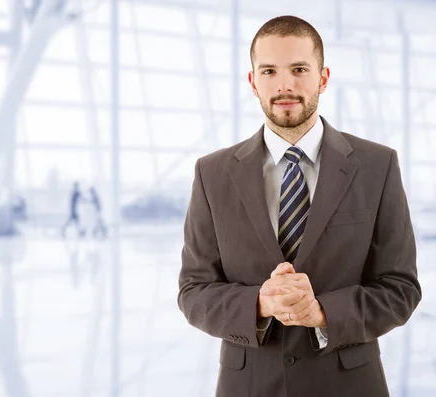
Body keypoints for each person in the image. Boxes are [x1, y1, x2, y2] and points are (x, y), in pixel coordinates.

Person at [177, 15, 421, 397]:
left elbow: (401, 289)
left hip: (350, 385)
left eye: (299, 69)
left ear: (322, 78)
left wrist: (324, 312)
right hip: (249, 386)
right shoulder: (212, 173)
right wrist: (258, 302)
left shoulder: (378, 166)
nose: (285, 85)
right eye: (269, 71)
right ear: (253, 81)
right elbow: (193, 291)